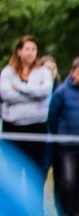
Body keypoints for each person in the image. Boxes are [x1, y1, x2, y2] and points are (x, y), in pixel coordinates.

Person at [45, 57, 79, 216]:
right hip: (66, 145)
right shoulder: (60, 93)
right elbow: (53, 116)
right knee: (67, 180)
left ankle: (76, 215)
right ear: (72, 72)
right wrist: (60, 135)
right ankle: (65, 213)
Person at [2, 35, 54, 175]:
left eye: (33, 49)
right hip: (13, 127)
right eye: (27, 49)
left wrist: (19, 88)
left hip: (36, 126)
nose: (31, 52)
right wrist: (33, 96)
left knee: (35, 170)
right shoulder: (8, 72)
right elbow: (6, 94)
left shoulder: (44, 72)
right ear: (19, 51)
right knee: (13, 171)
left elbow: (45, 92)